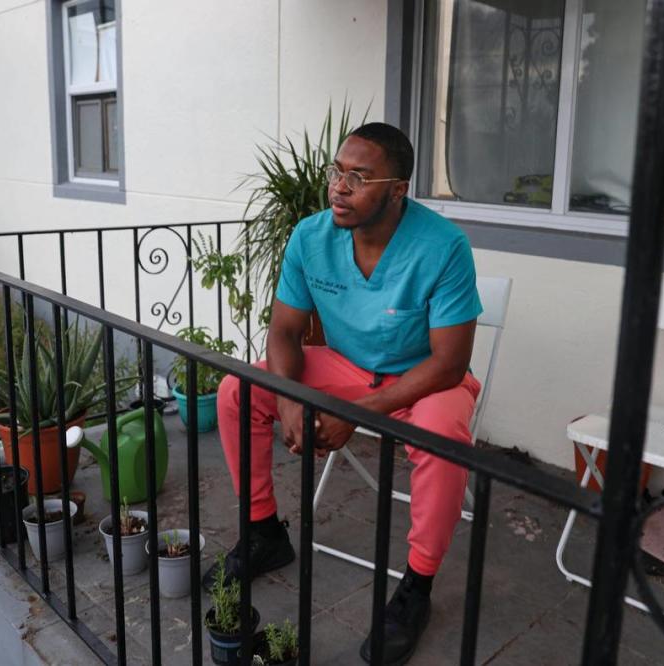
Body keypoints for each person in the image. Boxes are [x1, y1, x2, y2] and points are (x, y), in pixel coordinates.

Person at [206, 122, 482, 665]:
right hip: (344, 367)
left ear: (397, 189)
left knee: (442, 430)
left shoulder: (443, 246)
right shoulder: (311, 236)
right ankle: (263, 531)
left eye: (360, 177)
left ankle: (417, 587)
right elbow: (285, 332)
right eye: (338, 171)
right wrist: (288, 399)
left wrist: (354, 413)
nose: (339, 186)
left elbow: (450, 363)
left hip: (422, 378)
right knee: (239, 390)